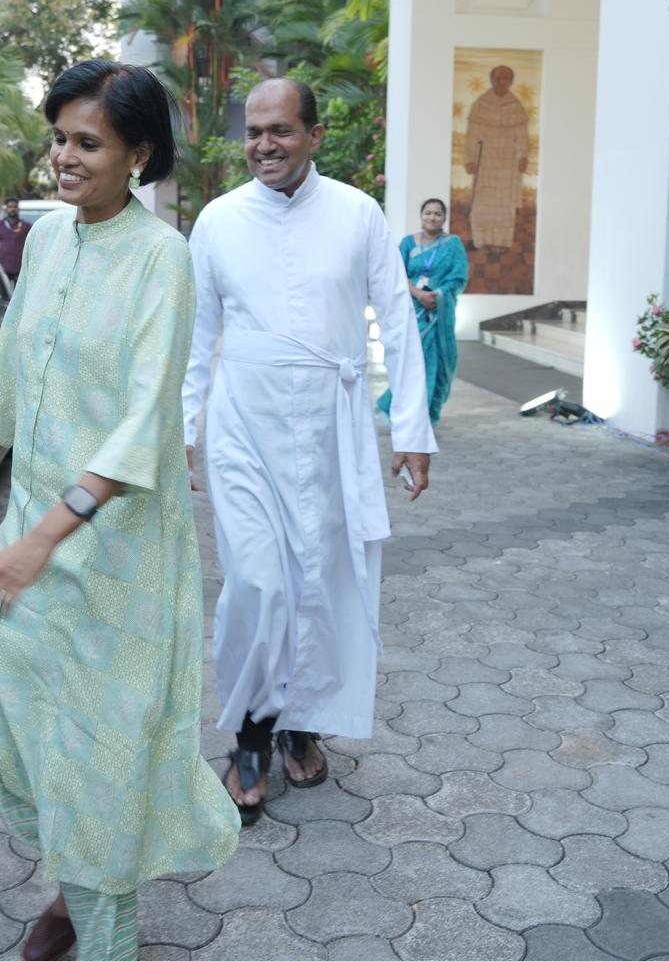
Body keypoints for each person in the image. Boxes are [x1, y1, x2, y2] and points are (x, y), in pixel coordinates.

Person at [0, 60, 239, 961]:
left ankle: (97, 915)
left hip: (119, 555)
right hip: (30, 533)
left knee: (100, 754)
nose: (64, 156)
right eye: (58, 138)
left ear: (138, 155)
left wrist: (38, 544)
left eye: (87, 143)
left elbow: (145, 426)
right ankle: (83, 865)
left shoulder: (162, 259)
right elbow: (10, 380)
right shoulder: (49, 238)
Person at [182, 78, 436, 824]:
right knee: (257, 584)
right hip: (244, 427)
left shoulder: (358, 213)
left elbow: (398, 320)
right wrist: (182, 430)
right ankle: (250, 735)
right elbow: (195, 336)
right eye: (254, 131)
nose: (264, 144)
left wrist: (412, 431)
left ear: (315, 135)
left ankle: (300, 723)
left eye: (281, 130)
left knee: (320, 584)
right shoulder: (218, 220)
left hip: (332, 426)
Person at [376, 196, 469, 426]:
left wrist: (438, 295)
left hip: (439, 312)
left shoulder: (453, 244)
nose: (432, 217)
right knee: (412, 364)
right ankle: (403, 411)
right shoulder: (408, 243)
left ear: (444, 218)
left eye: (438, 213)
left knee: (436, 364)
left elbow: (458, 277)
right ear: (421, 216)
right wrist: (419, 294)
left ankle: (425, 416)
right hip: (411, 311)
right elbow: (397, 273)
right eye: (428, 212)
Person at [463, 65, 529, 252]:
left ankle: (501, 242)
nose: (502, 82)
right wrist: (469, 159)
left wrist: (523, 156)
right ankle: (482, 241)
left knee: (505, 205)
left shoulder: (515, 106)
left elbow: (522, 136)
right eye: (498, 78)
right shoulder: (481, 104)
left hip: (508, 163)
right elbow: (472, 135)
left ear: (511, 81)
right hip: (485, 161)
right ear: (492, 80)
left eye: (506, 78)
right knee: (482, 204)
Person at [0, 197, 31, 285]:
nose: (12, 209)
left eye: (15, 207)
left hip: (21, 268)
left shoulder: (26, 226)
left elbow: (32, 245)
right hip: (3, 267)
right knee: (3, 291)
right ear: (6, 209)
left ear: (18, 209)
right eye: (10, 207)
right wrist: (0, 253)